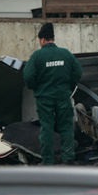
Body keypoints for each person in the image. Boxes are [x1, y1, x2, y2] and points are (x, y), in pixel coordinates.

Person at [23, 22, 83, 165]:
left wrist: (37, 88)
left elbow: (28, 77)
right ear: (53, 38)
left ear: (42, 39)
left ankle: (48, 161)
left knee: (47, 128)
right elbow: (78, 73)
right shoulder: (66, 54)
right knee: (66, 126)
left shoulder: (37, 56)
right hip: (63, 96)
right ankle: (68, 158)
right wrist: (68, 86)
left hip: (44, 98)